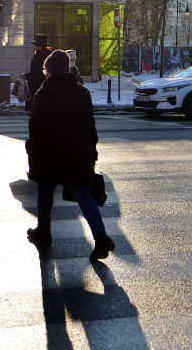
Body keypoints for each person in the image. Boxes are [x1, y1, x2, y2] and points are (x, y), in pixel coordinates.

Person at [26, 50, 116, 262]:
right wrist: (92, 152)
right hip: (78, 152)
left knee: (45, 189)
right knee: (83, 194)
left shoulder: (44, 93)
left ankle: (44, 230)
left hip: (50, 152)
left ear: (50, 70)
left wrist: (32, 150)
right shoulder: (82, 92)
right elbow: (90, 126)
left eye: (46, 69)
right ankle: (101, 237)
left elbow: (36, 127)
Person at [26, 35, 52, 111]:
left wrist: (29, 76)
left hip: (37, 85)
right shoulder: (49, 54)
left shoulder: (39, 55)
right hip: (45, 84)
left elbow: (36, 72)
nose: (35, 46)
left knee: (36, 108)